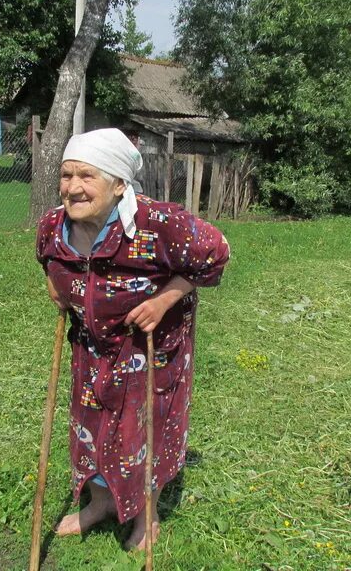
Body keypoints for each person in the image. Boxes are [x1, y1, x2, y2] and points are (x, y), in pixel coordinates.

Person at [35, 128, 230, 550]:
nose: (73, 187)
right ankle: (101, 504)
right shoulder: (53, 224)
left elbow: (216, 253)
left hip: (151, 349)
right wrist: (55, 282)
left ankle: (148, 515)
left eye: (87, 176)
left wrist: (165, 300)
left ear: (119, 183)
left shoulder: (160, 223)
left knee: (147, 430)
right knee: (92, 426)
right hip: (92, 348)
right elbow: (47, 257)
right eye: (66, 176)